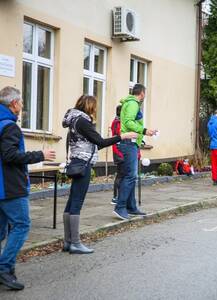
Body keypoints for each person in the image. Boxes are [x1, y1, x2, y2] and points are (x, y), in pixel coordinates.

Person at [62, 95, 136, 254]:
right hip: (83, 165)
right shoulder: (83, 122)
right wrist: (122, 136)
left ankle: (68, 242)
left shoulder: (74, 121)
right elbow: (101, 142)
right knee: (76, 203)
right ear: (89, 106)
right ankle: (75, 242)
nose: (96, 109)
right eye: (94, 106)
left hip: (76, 162)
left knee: (71, 202)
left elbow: (94, 144)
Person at [0, 86, 56, 290]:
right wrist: (40, 155)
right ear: (14, 104)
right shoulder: (9, 127)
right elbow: (10, 155)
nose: (22, 106)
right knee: (21, 225)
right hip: (10, 187)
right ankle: (4, 269)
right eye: (21, 102)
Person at [114, 84, 157, 220]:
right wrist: (144, 131)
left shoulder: (129, 103)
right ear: (142, 93)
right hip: (128, 144)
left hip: (130, 143)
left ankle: (131, 207)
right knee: (130, 176)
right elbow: (128, 121)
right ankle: (120, 207)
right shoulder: (133, 103)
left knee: (130, 176)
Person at [111, 105, 123, 205]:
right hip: (118, 151)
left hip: (120, 151)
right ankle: (115, 197)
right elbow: (117, 136)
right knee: (120, 175)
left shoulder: (118, 121)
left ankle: (119, 196)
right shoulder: (117, 122)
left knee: (121, 174)